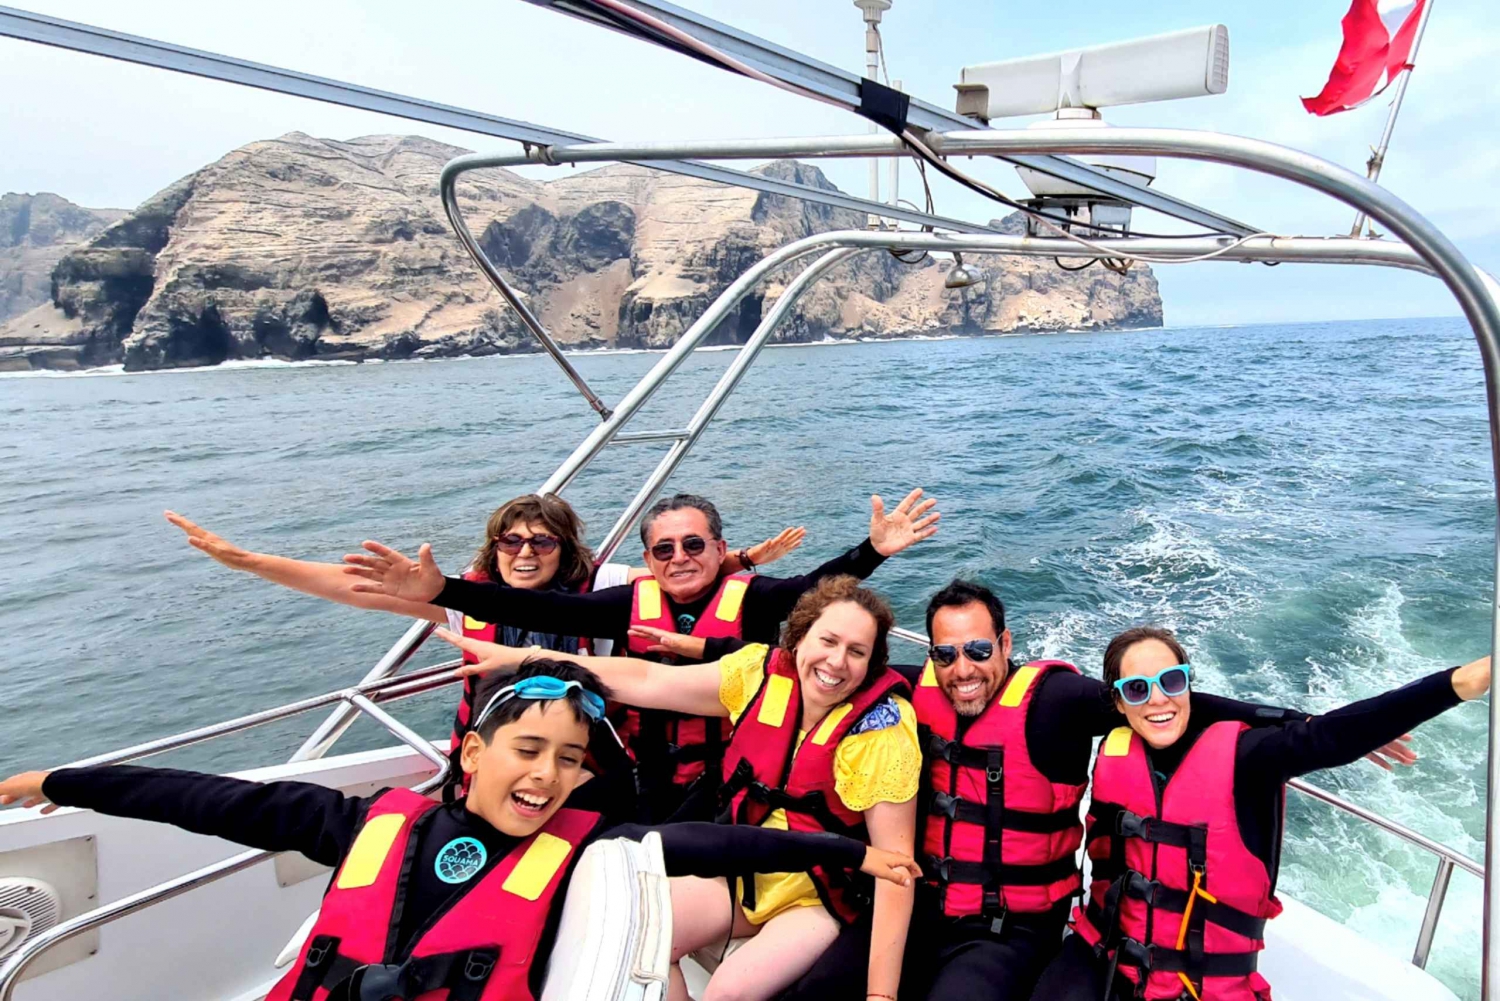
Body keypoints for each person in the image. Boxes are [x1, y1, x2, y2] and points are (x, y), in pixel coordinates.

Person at [0, 659, 921, 1001]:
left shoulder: (588, 851)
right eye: (529, 748)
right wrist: (60, 779)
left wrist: (858, 853)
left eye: (569, 761)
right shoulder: (361, 822)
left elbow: (727, 846)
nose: (548, 775)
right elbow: (205, 799)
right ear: (472, 751)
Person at [781, 581, 1413, 1001]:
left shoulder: (1057, 702)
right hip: (920, 910)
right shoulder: (919, 691)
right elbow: (793, 655)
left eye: (978, 649)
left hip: (1010, 930)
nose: (962, 669)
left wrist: (1292, 720)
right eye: (946, 655)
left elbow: (1169, 698)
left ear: (1004, 644)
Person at [438, 576, 922, 1001]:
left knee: (729, 991)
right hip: (743, 874)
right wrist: (530, 660)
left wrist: (881, 993)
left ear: (872, 663)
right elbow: (648, 677)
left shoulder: (879, 729)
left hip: (817, 895)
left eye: (856, 652)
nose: (836, 662)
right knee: (633, 943)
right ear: (798, 638)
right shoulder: (757, 673)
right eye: (828, 640)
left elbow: (895, 868)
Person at [344, 489, 939, 820]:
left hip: (727, 779)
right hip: (642, 777)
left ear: (721, 548)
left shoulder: (754, 600)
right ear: (649, 558)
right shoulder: (626, 604)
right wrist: (442, 591)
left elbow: (815, 587)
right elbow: (537, 610)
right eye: (663, 548)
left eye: (694, 544)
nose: (679, 557)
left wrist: (872, 551)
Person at [165, 497, 804, 794]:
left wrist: (739, 559)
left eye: (542, 542)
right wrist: (248, 561)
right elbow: (351, 588)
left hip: (582, 765)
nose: (525, 553)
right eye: (511, 541)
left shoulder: (605, 588)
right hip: (488, 758)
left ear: (565, 549)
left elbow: (679, 580)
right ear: (495, 547)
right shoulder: (464, 595)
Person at [1029, 625, 1491, 1001]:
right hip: (1102, 959)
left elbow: (1332, 738)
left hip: (1202, 983)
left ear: (1189, 681)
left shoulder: (1248, 758)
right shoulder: (1114, 743)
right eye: (1137, 689)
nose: (1157, 700)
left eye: (1172, 681)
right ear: (1117, 701)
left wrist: (1457, 684)